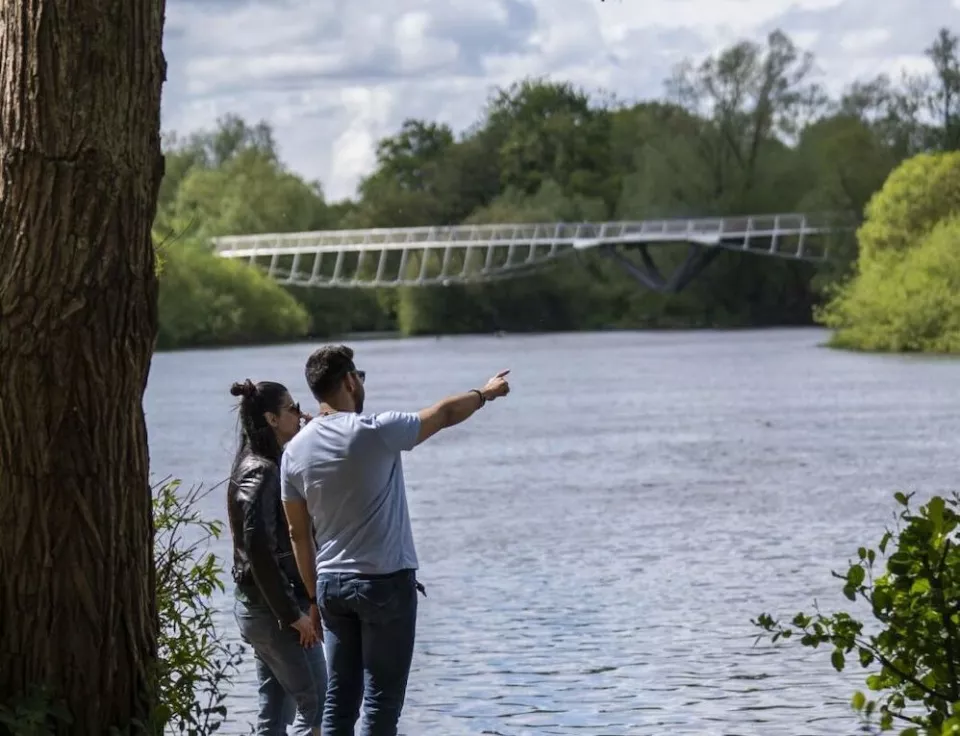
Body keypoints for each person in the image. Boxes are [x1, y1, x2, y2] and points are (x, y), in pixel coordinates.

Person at [280, 345, 511, 736]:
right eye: (360, 377)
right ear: (350, 380)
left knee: (338, 701)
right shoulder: (374, 431)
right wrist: (485, 394)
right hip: (383, 582)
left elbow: (298, 536)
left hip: (331, 586)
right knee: (381, 703)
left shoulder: (293, 452)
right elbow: (444, 413)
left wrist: (314, 598)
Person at [226, 379, 327, 736]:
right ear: (271, 418)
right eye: (293, 409)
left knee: (276, 708)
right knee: (318, 705)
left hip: (261, 607)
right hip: (275, 612)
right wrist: (292, 614)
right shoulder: (261, 470)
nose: (300, 414)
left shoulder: (264, 460)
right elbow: (257, 547)